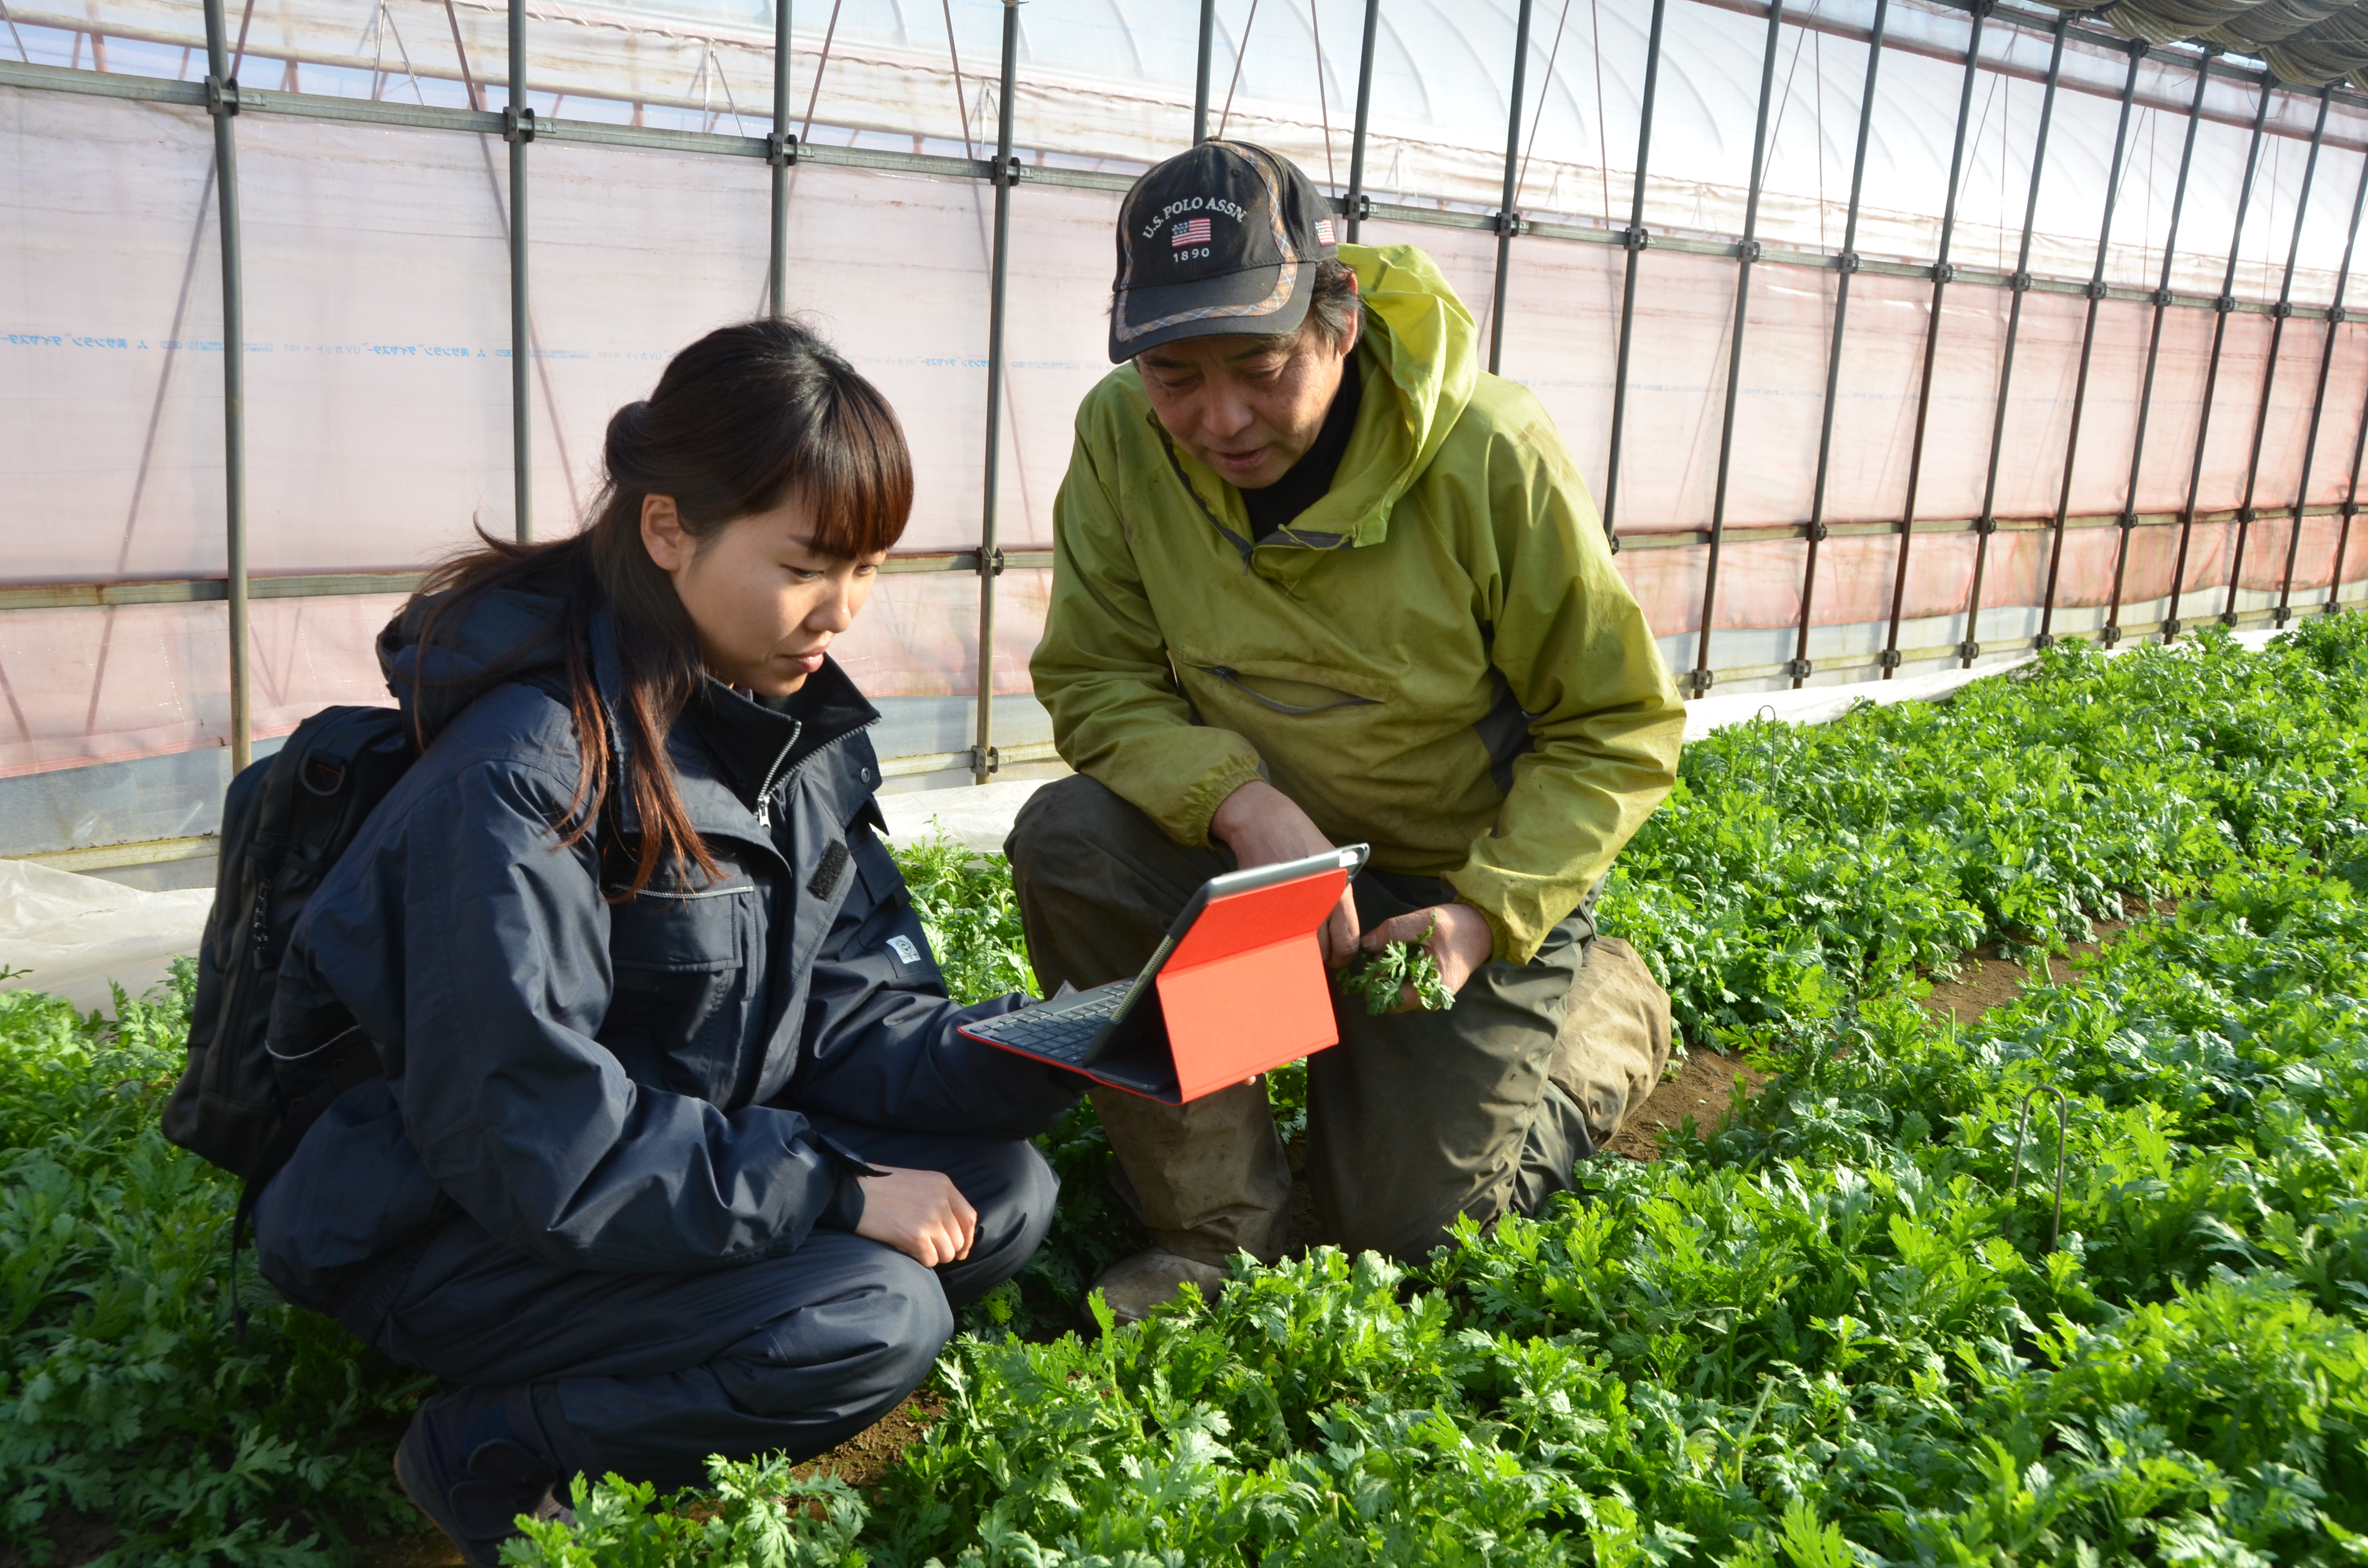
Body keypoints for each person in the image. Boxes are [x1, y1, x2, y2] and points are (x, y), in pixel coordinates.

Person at [249, 320, 1080, 1565]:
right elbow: (539, 1142)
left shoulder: (779, 727)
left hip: (657, 1164)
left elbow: (848, 1015)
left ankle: (722, 1370)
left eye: (869, 566)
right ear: (668, 530)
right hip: (451, 1225)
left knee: (1003, 1194)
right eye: (808, 565)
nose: (843, 610)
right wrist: (839, 1189)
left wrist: (1073, 1043)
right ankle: (489, 1447)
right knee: (873, 1315)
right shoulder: (523, 779)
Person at [1006, 141, 1686, 1320]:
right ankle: (1216, 1229)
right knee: (1070, 839)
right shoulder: (1121, 438)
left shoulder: (1489, 456)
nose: (1219, 418)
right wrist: (1246, 805)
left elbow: (1614, 722)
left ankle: (1598, 1005)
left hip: (1446, 889)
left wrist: (1486, 909)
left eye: (1260, 367)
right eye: (1175, 375)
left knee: (1414, 1244)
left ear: (1338, 321)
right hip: (1256, 876)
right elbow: (1097, 676)